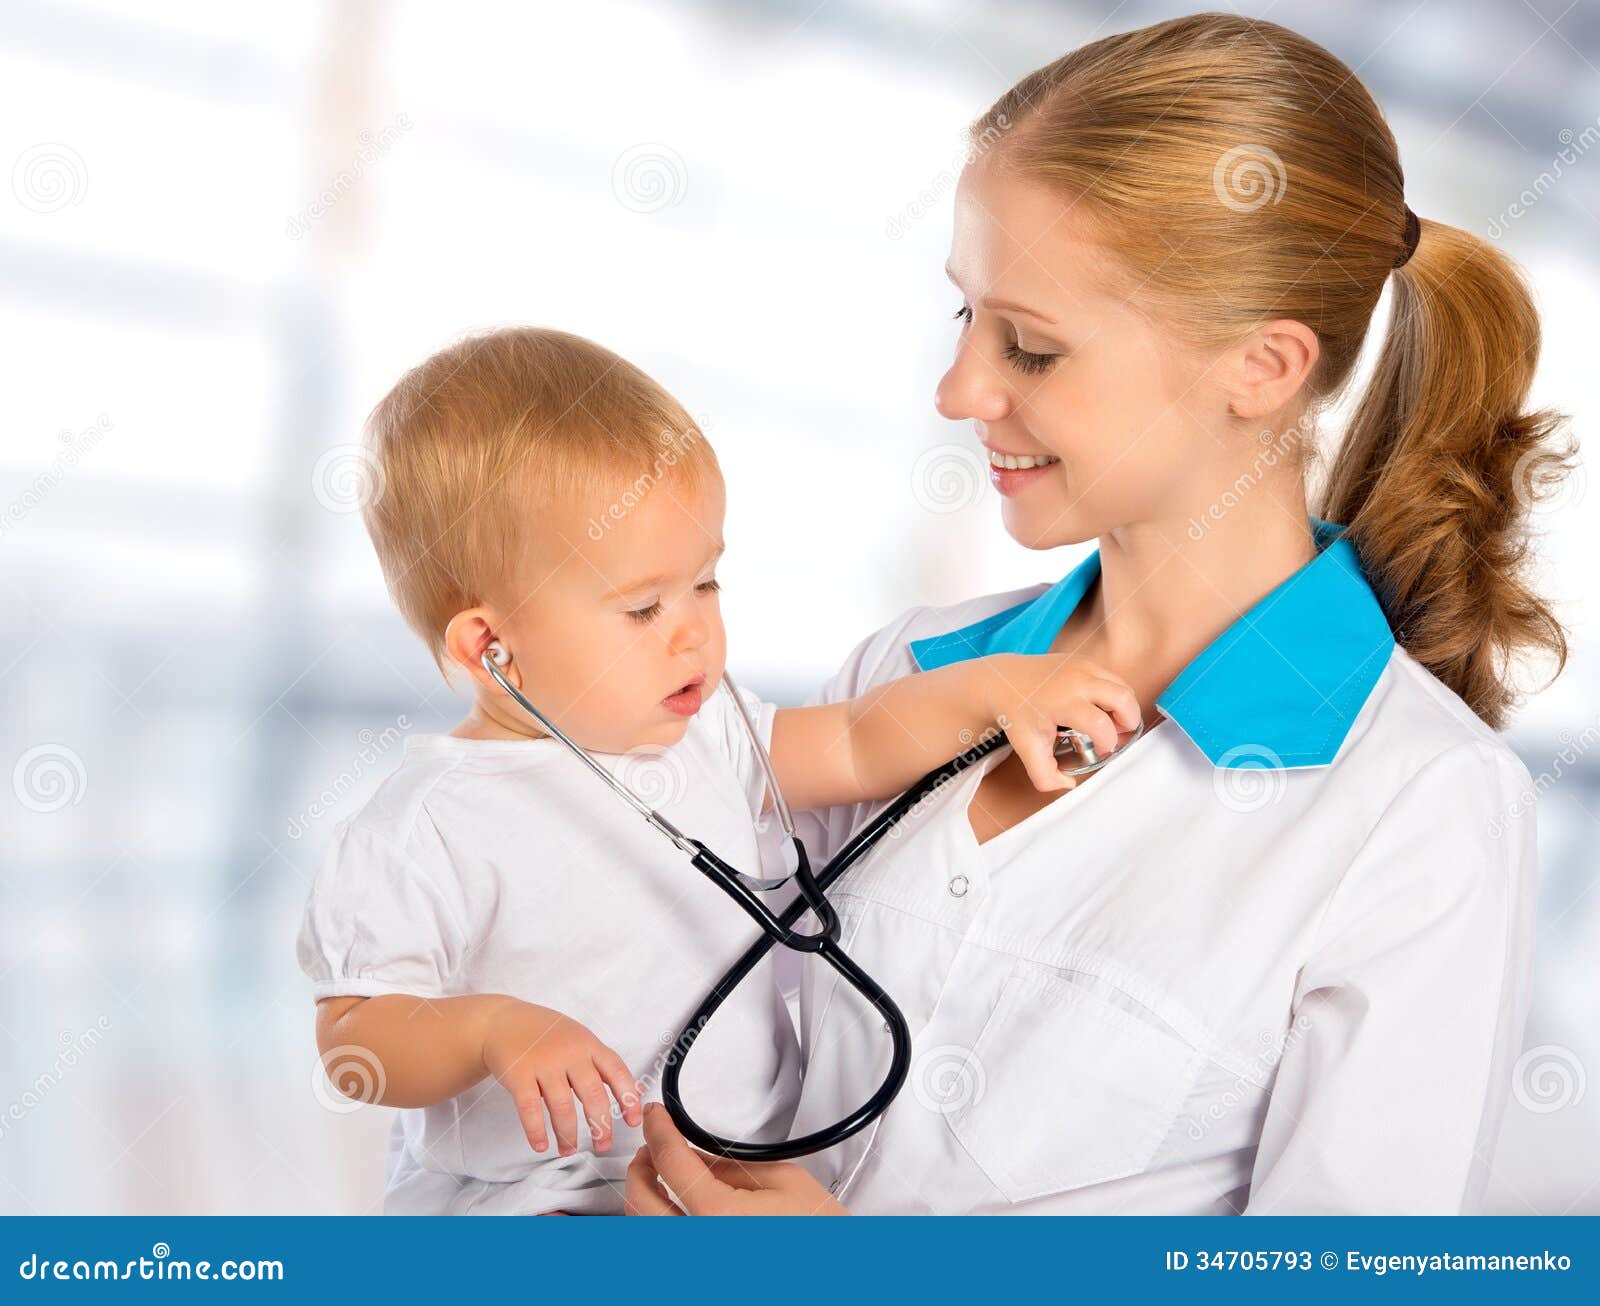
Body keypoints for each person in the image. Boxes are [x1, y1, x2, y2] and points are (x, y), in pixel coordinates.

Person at [625, 12, 1573, 1216]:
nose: (959, 389)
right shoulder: (901, 673)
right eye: (965, 318)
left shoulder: (1419, 806)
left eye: (1029, 347)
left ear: (1263, 367)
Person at [296, 326, 1138, 1213]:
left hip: (731, 1183)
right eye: (643, 608)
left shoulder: (708, 738)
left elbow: (859, 740)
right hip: (528, 1205)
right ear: (490, 647)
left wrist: (999, 689)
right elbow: (353, 1040)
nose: (695, 631)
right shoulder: (426, 827)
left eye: (705, 584)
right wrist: (490, 1031)